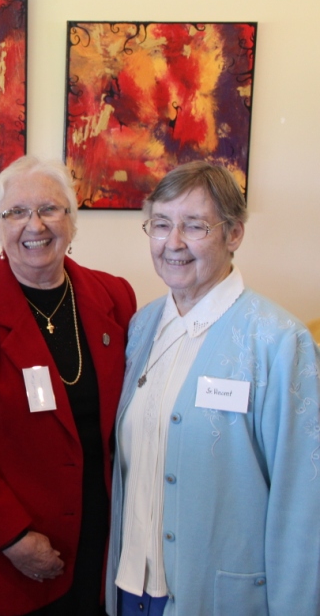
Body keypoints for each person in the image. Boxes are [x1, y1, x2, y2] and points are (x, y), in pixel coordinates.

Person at [105, 161, 320, 616]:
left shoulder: (279, 342)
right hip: (132, 590)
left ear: (234, 234)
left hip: (221, 599)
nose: (173, 243)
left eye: (195, 225)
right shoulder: (142, 328)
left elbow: (304, 505)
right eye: (161, 224)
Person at [0, 156, 137, 616]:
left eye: (50, 209)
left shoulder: (115, 297)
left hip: (96, 551)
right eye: (16, 212)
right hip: (1, 566)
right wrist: (13, 538)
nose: (35, 224)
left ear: (72, 220)